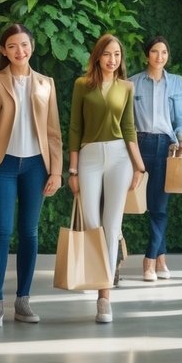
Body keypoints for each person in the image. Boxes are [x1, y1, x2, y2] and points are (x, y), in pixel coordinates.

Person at [0, 23, 63, 328]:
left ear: (32, 47)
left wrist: (56, 170)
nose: (19, 51)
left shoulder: (46, 84)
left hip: (36, 167)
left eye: (24, 45)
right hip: (3, 166)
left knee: (29, 232)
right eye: (12, 46)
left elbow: (53, 132)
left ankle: (23, 300)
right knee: (1, 230)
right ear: (3, 50)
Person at [69, 34, 146, 323]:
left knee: (112, 226)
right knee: (92, 223)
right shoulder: (81, 85)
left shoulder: (126, 86)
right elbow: (75, 128)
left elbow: (129, 129)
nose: (113, 60)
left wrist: (139, 167)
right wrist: (73, 170)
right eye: (107, 54)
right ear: (98, 56)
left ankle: (104, 297)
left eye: (117, 55)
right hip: (88, 156)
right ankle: (97, 278)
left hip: (119, 158)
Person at [129, 35, 182, 282]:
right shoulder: (132, 83)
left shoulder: (176, 83)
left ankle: (149, 260)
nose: (160, 57)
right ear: (147, 55)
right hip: (140, 145)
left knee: (160, 206)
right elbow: (126, 122)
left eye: (164, 52)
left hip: (167, 148)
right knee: (146, 204)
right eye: (155, 52)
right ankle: (161, 258)